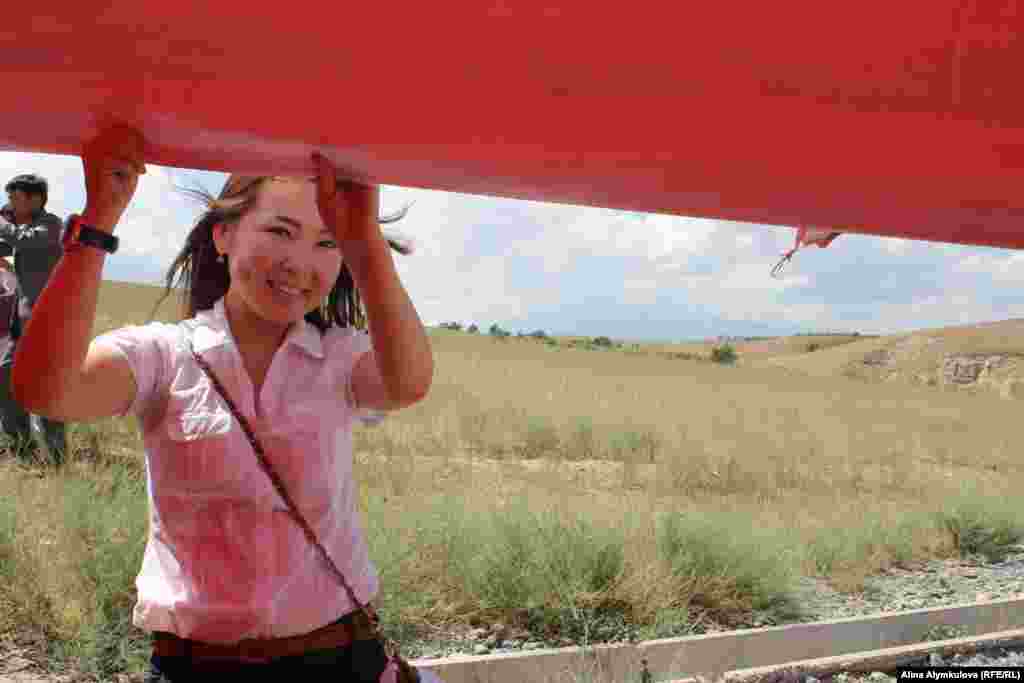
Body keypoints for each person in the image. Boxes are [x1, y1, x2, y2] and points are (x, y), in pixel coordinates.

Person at [11, 126, 437, 681]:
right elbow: (47, 391)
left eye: (326, 242)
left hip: (338, 658)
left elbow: (407, 383)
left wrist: (363, 241)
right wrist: (99, 222)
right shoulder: (164, 356)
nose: (299, 262)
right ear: (223, 236)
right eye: (280, 231)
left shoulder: (340, 357)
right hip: (195, 667)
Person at [0, 173, 67, 462]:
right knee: (6, 376)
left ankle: (55, 454)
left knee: (43, 385)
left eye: (15, 199)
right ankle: (20, 445)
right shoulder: (23, 227)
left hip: (45, 322)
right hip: (23, 321)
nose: (10, 204)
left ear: (35, 199)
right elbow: (9, 244)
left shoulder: (51, 225)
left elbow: (23, 240)